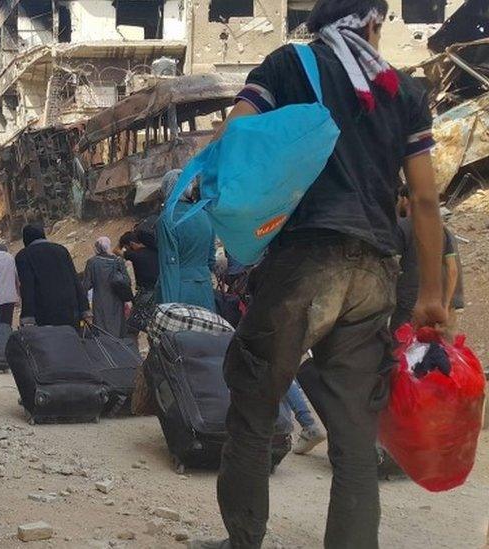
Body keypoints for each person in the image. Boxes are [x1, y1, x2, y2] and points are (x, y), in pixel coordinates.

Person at [209, 1, 446, 547]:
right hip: (373, 273)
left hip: (304, 260)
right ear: (372, 22)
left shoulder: (285, 66)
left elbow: (236, 135)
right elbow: (426, 200)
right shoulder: (403, 94)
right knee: (356, 437)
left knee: (254, 401)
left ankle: (243, 540)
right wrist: (430, 293)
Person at [393, 187, 463, 333]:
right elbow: (452, 270)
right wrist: (445, 305)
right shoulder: (441, 230)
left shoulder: (401, 228)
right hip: (438, 304)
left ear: (405, 200)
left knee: (402, 350)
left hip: (407, 306)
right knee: (437, 350)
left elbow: (392, 266)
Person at [157, 170, 217, 311]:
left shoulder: (167, 219)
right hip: (204, 289)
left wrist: (169, 308)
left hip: (179, 292)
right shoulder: (205, 215)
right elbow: (211, 259)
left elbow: (169, 266)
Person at [15, 224, 91, 328]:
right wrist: (85, 310)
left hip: (44, 313)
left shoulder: (23, 256)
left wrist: (28, 317)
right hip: (70, 310)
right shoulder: (61, 250)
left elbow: (27, 287)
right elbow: (75, 280)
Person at [81, 236, 128, 338]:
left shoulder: (92, 262)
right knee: (118, 328)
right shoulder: (118, 261)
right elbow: (127, 282)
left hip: (100, 301)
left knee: (102, 330)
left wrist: (84, 306)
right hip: (117, 301)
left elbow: (86, 286)